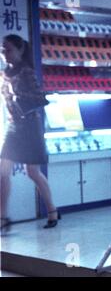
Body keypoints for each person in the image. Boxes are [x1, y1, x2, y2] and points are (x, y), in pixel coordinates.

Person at [0, 34, 59, 233]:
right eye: (2, 50)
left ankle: (52, 210)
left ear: (19, 50)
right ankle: (2, 217)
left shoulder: (27, 72)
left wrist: (18, 97)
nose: (4, 54)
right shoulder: (4, 73)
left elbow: (40, 98)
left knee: (32, 172)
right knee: (3, 172)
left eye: (8, 49)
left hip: (30, 127)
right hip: (14, 126)